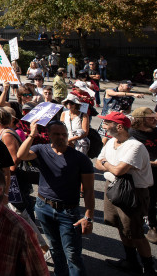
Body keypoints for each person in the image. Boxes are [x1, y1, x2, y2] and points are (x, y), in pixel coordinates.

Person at [16, 120, 94, 276]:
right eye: (57, 134)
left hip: (68, 212)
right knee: (55, 249)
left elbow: (89, 190)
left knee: (72, 254)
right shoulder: (41, 149)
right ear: (49, 135)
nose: (61, 137)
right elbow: (21, 155)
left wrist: (88, 216)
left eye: (64, 134)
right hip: (43, 207)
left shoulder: (80, 159)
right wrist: (32, 135)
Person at [96, 111, 155, 274]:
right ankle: (131, 262)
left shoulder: (135, 146)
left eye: (107, 123)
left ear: (119, 127)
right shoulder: (111, 141)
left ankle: (149, 268)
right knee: (121, 227)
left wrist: (106, 164)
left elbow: (119, 170)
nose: (104, 126)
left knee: (135, 232)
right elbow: (97, 163)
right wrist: (108, 165)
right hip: (112, 187)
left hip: (132, 192)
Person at [129, 107, 157, 244]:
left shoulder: (156, 131)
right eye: (151, 118)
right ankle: (152, 226)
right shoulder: (131, 135)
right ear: (140, 120)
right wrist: (152, 163)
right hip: (142, 175)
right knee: (149, 202)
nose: (155, 119)